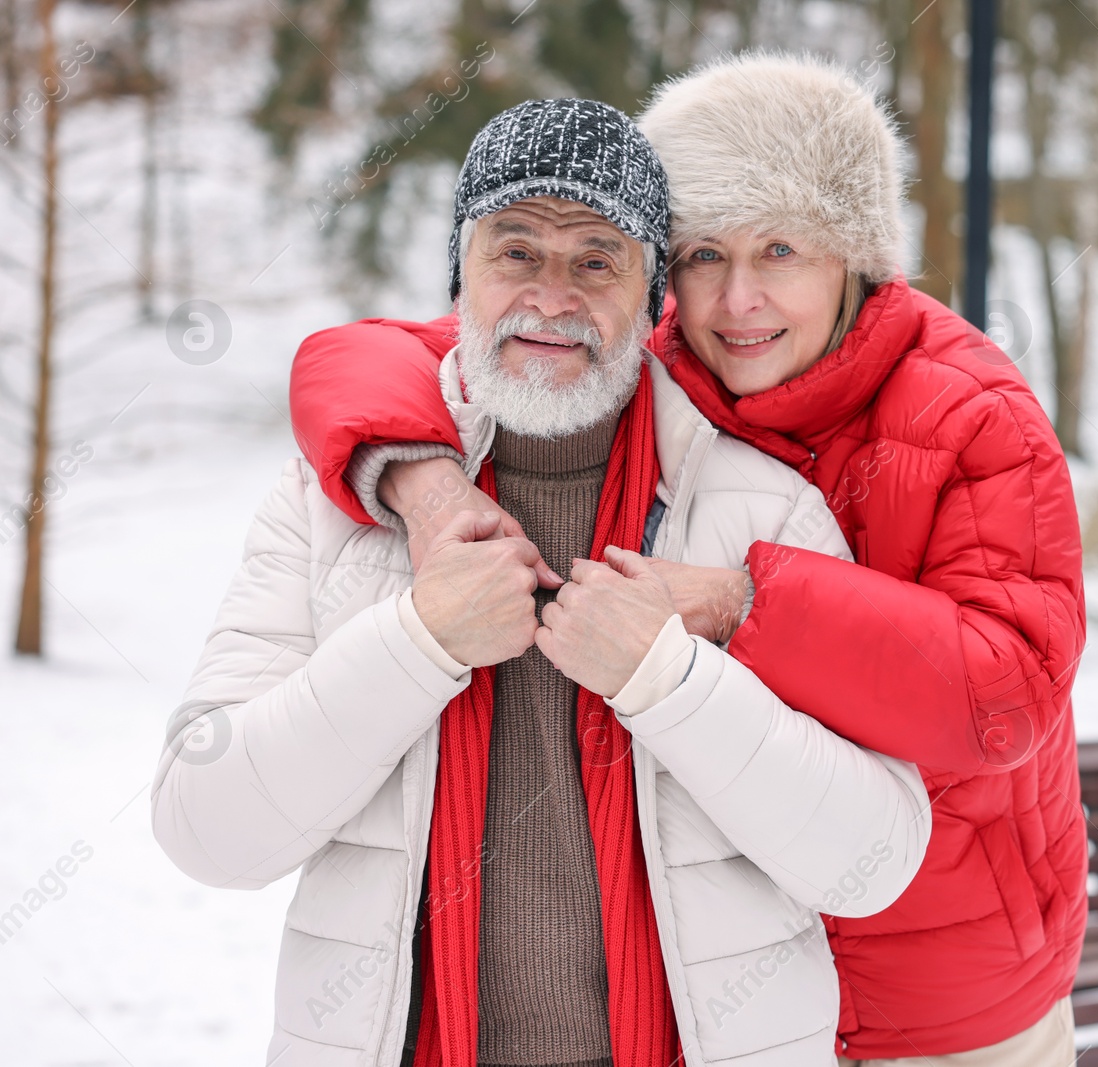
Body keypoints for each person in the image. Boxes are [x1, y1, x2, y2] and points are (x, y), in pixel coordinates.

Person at [286, 55, 1088, 1066]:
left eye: (781, 249)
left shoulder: (969, 412)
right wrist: (423, 482)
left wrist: (740, 598)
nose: (739, 299)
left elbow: (1008, 691)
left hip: (934, 987)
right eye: (705, 254)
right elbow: (360, 356)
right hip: (727, 992)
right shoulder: (657, 357)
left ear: (854, 254)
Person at [151, 97, 931, 1067]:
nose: (552, 297)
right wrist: (417, 642)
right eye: (515, 251)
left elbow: (873, 859)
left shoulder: (764, 512)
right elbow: (205, 829)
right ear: (461, 275)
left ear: (655, 300)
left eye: (597, 259)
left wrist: (668, 680)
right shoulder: (336, 505)